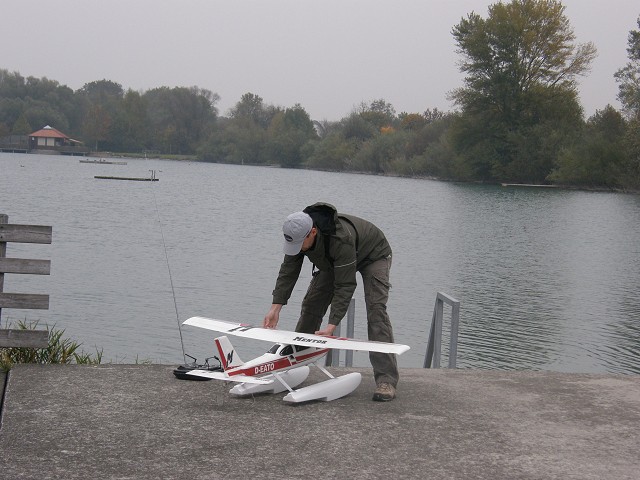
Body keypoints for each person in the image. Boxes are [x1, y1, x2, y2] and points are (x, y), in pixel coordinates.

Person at [263, 202, 399, 401]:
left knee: (376, 310)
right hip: (335, 260)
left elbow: (345, 285)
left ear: (313, 233)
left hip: (373, 255)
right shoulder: (297, 234)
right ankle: (294, 360)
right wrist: (276, 307)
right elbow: (288, 272)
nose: (297, 249)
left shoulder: (340, 239)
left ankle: (386, 379)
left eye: (300, 244)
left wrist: (331, 326)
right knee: (312, 303)